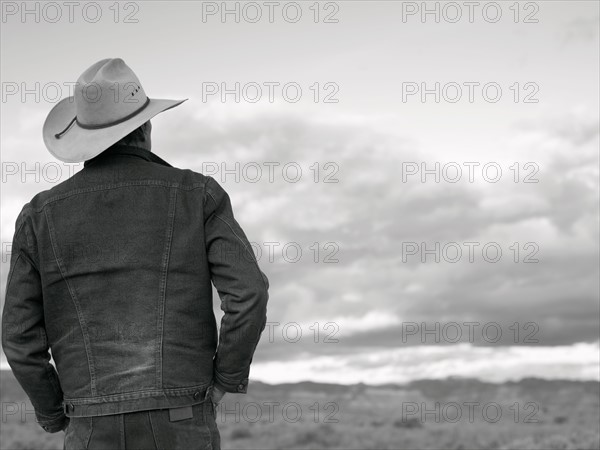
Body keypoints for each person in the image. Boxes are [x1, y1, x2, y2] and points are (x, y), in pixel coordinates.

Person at [1, 58, 269, 449]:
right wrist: (225, 380)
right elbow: (249, 294)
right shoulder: (198, 195)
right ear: (145, 126)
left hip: (89, 425)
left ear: (84, 136)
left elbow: (18, 337)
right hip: (183, 416)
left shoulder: (38, 217)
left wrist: (54, 412)